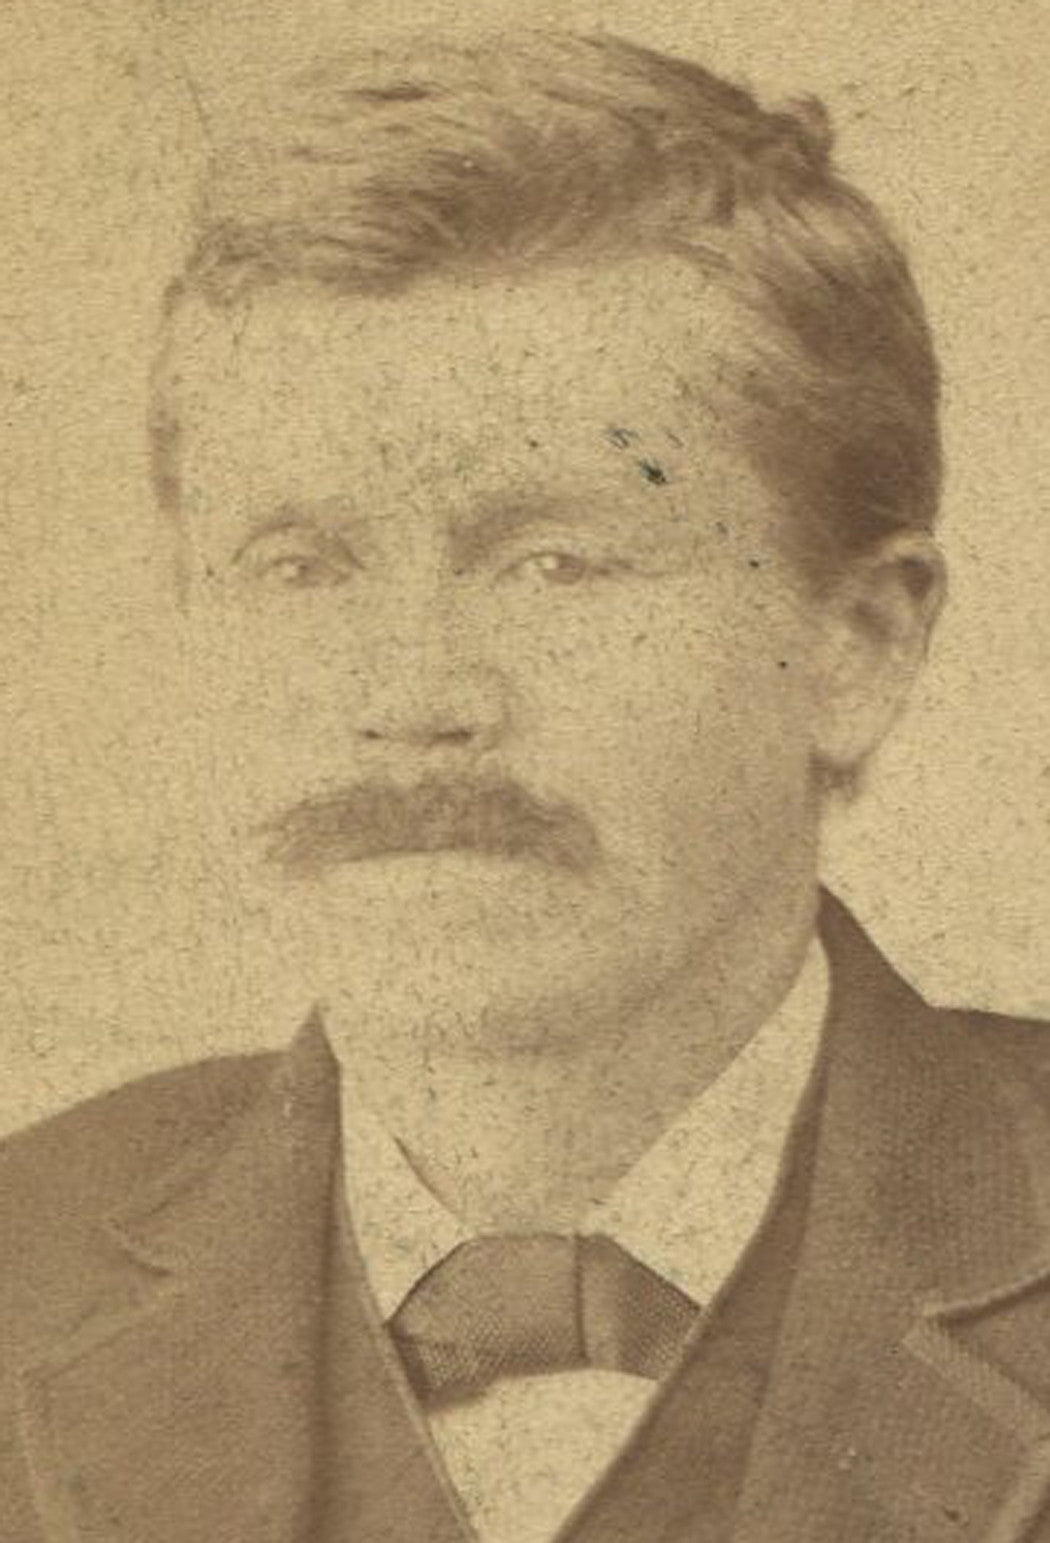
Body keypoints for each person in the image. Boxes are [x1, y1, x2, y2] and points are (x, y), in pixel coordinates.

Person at [2, 27, 1049, 1543]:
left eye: (555, 560)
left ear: (855, 645)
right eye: (301, 564)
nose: (414, 698)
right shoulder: (21, 1259)